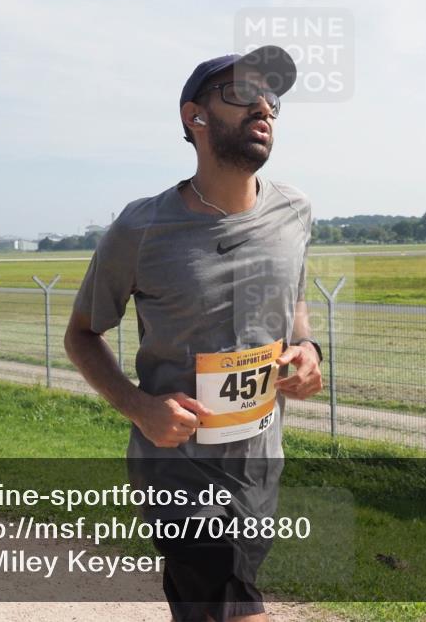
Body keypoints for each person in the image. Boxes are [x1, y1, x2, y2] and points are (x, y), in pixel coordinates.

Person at [64, 45, 322, 622]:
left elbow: (294, 302)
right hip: (178, 474)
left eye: (271, 98)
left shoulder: (295, 211)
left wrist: (307, 349)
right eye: (240, 94)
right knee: (235, 606)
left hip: (260, 465)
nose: (263, 107)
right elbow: (82, 333)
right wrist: (140, 408)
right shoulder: (141, 228)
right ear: (194, 116)